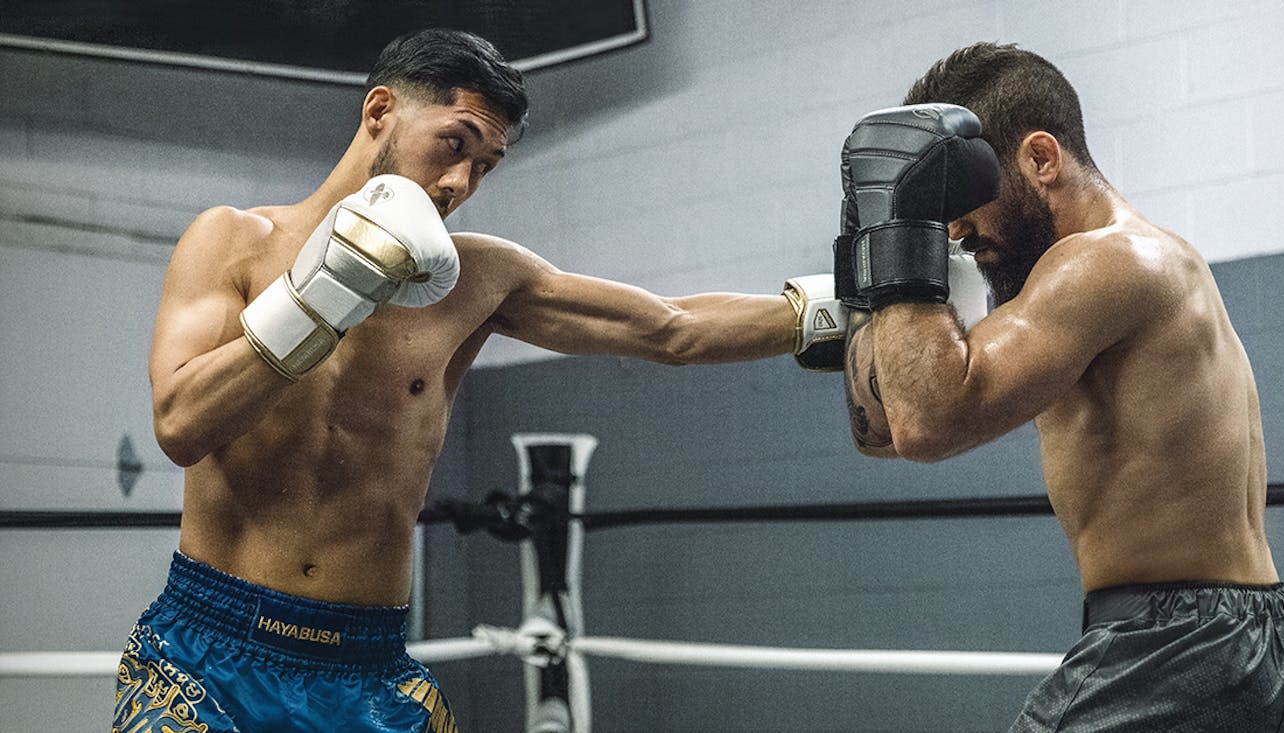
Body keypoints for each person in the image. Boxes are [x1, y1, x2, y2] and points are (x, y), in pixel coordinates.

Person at [116, 28, 843, 733]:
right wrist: (320, 299)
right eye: (454, 143)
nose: (460, 181)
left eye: (485, 165)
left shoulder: (476, 280)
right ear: (380, 113)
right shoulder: (234, 241)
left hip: (366, 668)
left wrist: (848, 309)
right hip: (205, 658)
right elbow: (181, 423)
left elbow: (671, 326)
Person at [836, 43, 1284, 730]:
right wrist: (869, 271)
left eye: (960, 196)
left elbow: (926, 421)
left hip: (1178, 647)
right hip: (1259, 640)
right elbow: (886, 428)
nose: (953, 230)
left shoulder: (1101, 262)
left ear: (1042, 159)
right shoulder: (1135, 266)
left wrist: (895, 234)